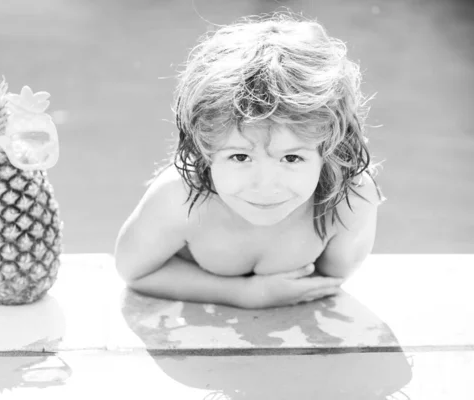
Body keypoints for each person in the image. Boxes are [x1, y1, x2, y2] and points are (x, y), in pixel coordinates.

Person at [114, 13, 384, 309]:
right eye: (240, 156)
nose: (265, 185)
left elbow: (330, 281)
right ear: (205, 150)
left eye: (292, 157)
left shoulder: (350, 199)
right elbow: (135, 272)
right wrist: (243, 294)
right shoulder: (178, 197)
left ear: (330, 150)